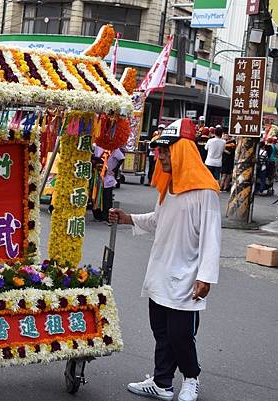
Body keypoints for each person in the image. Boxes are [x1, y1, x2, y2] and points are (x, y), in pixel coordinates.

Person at [109, 118, 220, 401]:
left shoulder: (205, 192)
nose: (160, 156)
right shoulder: (169, 188)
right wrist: (127, 218)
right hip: (160, 271)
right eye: (160, 150)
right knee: (161, 331)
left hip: (186, 277)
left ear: (183, 150)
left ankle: (191, 379)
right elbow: (158, 221)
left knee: (181, 335)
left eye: (166, 150)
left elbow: (211, 237)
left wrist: (206, 276)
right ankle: (162, 383)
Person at [92, 145, 125, 222]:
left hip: (108, 176)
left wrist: (115, 170)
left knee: (107, 197)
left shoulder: (114, 148)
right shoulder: (97, 146)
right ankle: (97, 215)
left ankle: (107, 216)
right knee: (96, 195)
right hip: (98, 175)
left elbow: (121, 158)